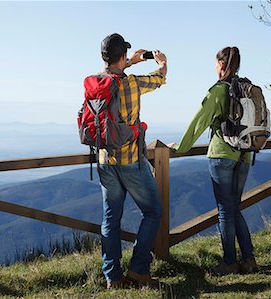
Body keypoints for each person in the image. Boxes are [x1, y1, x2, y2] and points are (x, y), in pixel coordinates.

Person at [169, 47, 258, 276]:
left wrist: (180, 147)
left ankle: (229, 262)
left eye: (215, 63)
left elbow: (199, 121)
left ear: (220, 64)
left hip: (222, 155)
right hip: (246, 154)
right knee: (234, 207)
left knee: (225, 211)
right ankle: (248, 260)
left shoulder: (219, 90)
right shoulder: (245, 88)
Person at [96, 33, 167, 288]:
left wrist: (131, 62)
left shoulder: (97, 84)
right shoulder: (132, 84)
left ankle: (113, 277)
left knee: (110, 219)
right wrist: (161, 64)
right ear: (122, 56)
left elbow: (115, 72)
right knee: (152, 211)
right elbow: (159, 80)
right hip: (130, 160)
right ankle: (138, 269)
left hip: (104, 159)